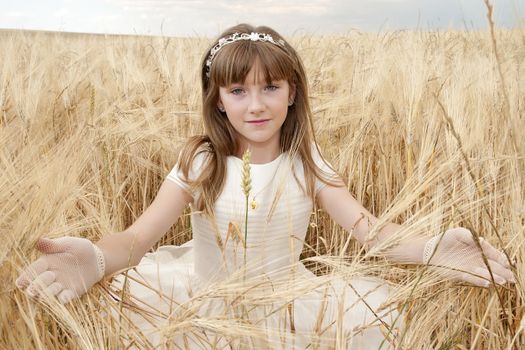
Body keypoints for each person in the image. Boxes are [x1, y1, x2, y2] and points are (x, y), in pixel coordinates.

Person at [15, 23, 515, 349]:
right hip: (200, 305)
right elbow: (137, 240)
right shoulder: (201, 162)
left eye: (270, 87)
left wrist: (432, 247)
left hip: (292, 308)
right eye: (238, 91)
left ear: (292, 93)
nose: (256, 105)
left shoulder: (307, 162)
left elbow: (372, 234)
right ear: (218, 102)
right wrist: (96, 259)